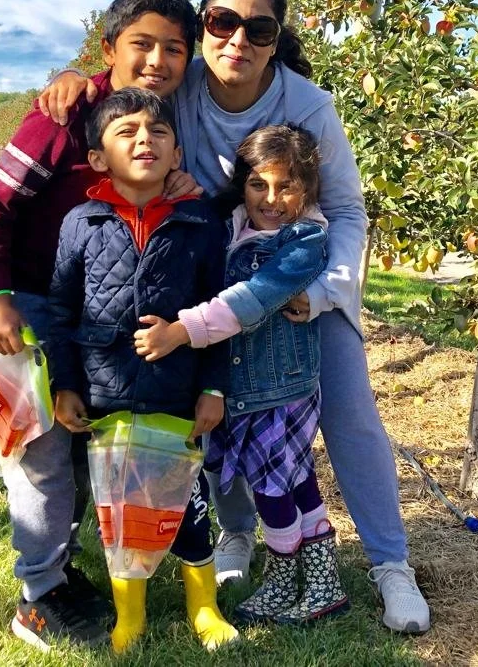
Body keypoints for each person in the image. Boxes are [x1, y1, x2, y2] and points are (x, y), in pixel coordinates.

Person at [39, 0, 431, 635]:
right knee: (219, 413)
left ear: (274, 40)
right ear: (203, 28)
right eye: (221, 22)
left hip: (300, 286)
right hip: (217, 283)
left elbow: (344, 209)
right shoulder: (183, 87)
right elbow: (128, 84)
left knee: (349, 415)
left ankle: (389, 563)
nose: (236, 40)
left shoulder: (306, 106)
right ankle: (238, 536)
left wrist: (325, 291)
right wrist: (78, 83)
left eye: (257, 27)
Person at [0, 0, 201, 652]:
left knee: (79, 431)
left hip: (89, 304)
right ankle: (36, 594)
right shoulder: (62, 117)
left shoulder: (164, 118)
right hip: (28, 294)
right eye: (142, 44)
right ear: (108, 48)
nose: (157, 59)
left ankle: (60, 568)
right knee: (41, 447)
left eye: (173, 49)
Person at [134, 123, 350, 624]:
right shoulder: (228, 224)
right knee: (295, 482)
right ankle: (322, 580)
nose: (271, 199)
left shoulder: (304, 242)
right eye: (259, 184)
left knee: (273, 490)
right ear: (242, 184)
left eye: (287, 186)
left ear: (309, 188)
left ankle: (283, 576)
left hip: (282, 390)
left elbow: (249, 302)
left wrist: (181, 331)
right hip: (245, 389)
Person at [47, 87, 238, 654]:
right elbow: (61, 310)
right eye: (126, 132)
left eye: (157, 133)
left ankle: (203, 606)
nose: (144, 141)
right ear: (100, 158)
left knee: (189, 506)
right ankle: (130, 616)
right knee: (120, 513)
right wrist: (65, 383)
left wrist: (212, 385)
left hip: (177, 394)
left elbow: (219, 308)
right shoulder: (81, 223)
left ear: (177, 154)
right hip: (107, 396)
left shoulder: (200, 224)